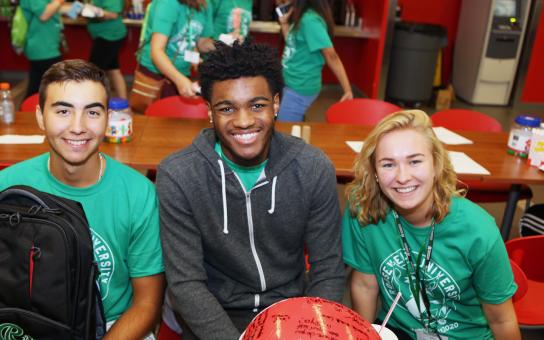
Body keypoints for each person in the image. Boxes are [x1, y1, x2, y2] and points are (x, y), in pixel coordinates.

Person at [156, 40, 345, 339]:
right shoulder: (179, 175)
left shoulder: (312, 168)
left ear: (277, 104)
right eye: (227, 108)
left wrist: (312, 329)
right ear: (209, 112)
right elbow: (186, 284)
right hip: (214, 316)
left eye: (257, 105)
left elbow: (328, 269)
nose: (243, 121)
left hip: (292, 313)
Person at [0, 60, 165, 339]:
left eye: (92, 112)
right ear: (40, 117)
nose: (78, 127)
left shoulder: (138, 193)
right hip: (29, 321)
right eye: (63, 111)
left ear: (108, 119)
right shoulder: (8, 185)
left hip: (113, 325)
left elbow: (147, 304)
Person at [343, 110, 520, 339]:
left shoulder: (477, 230)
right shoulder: (364, 208)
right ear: (375, 173)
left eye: (415, 161)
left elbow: (501, 319)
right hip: (400, 330)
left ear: (436, 164)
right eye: (388, 164)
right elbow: (365, 285)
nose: (402, 177)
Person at [276, 0, 352, 121]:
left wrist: (347, 89)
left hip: (298, 86)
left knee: (285, 132)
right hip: (291, 83)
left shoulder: (309, 20)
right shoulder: (302, 16)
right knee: (285, 127)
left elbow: (332, 56)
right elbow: (292, 44)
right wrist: (285, 24)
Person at [138, 0, 215, 99]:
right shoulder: (168, 3)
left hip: (182, 73)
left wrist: (226, 45)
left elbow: (203, 43)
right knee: (154, 113)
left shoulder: (205, 4)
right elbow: (157, 51)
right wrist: (179, 80)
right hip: (155, 75)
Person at [20, 0, 64, 99]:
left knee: (37, 88)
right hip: (43, 47)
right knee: (53, 89)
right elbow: (44, 14)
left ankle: (25, 112)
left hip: (46, 46)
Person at [87, 0, 128, 99]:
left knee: (93, 74)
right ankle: (124, 105)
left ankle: (94, 103)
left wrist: (88, 10)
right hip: (107, 35)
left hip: (109, 36)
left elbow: (113, 14)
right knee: (114, 70)